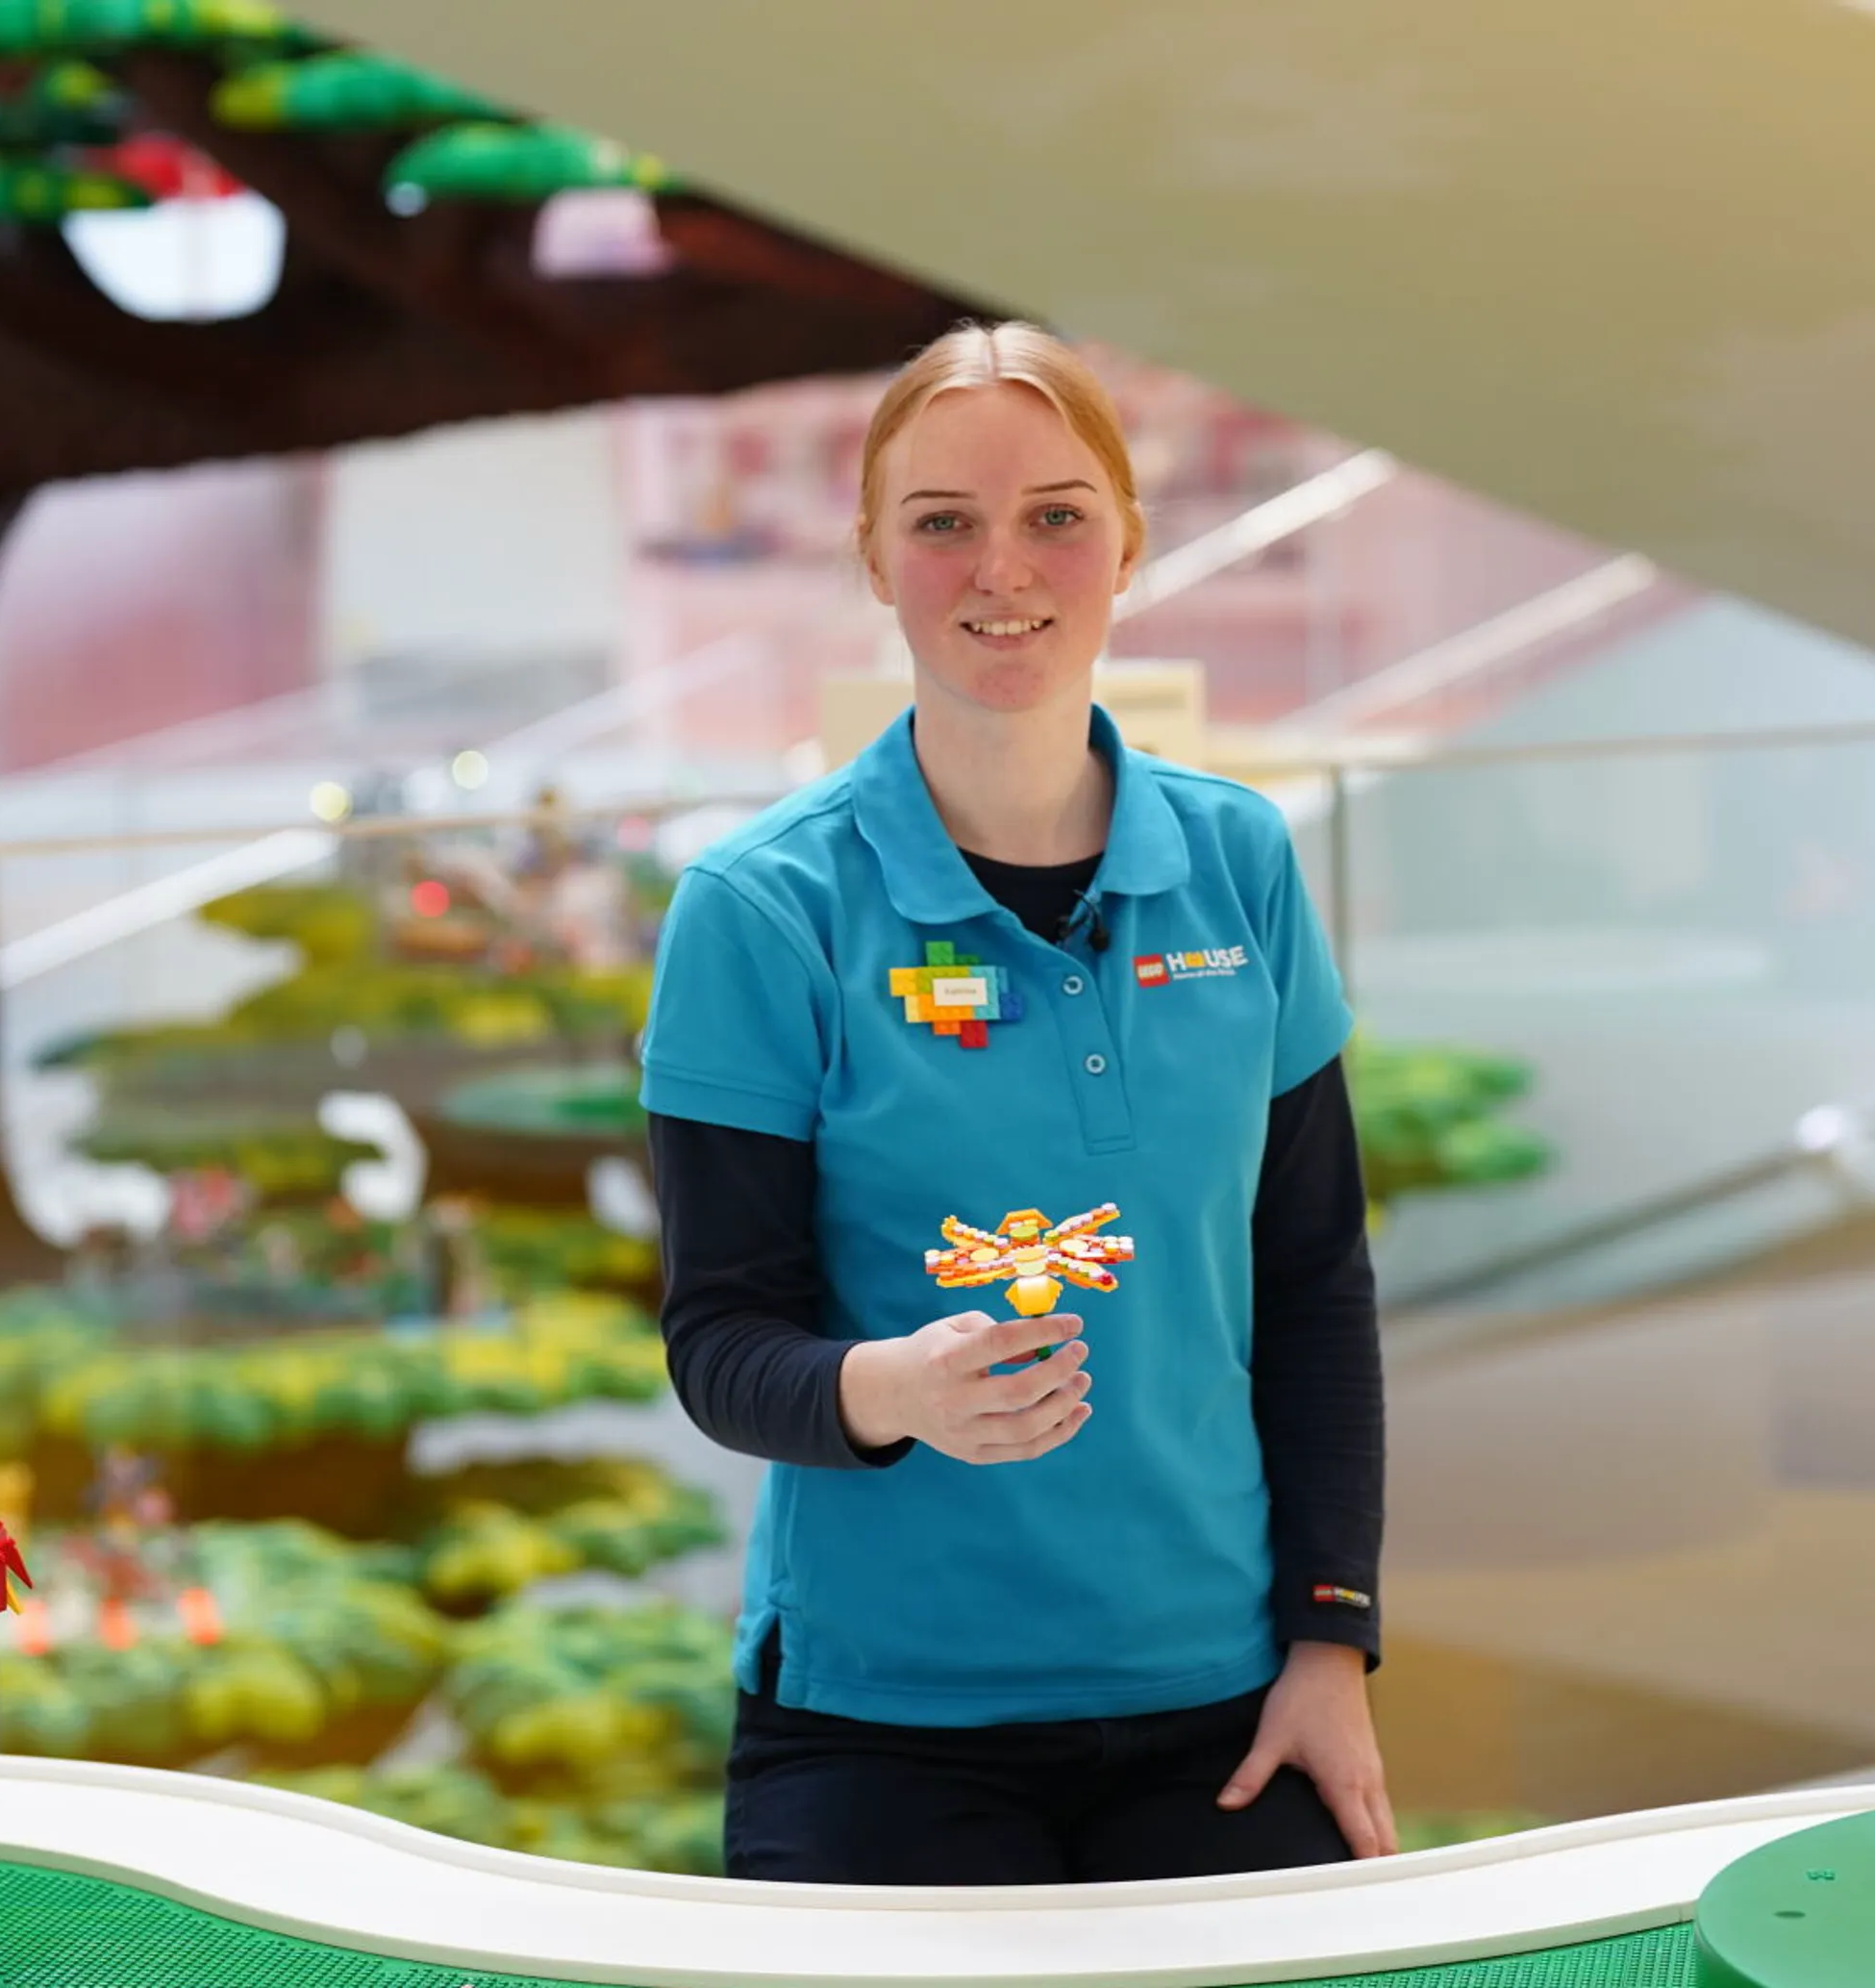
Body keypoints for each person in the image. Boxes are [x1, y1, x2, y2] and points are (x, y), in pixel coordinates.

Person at [638, 322, 1390, 1885]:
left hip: (1221, 1702)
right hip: (879, 1722)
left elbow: (1313, 1279)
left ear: (1127, 542)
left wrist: (1331, 1640)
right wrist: (890, 1392)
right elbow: (720, 1344)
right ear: (873, 555)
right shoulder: (762, 909)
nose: (1006, 568)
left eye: (1056, 513)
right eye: (943, 523)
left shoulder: (1241, 863)